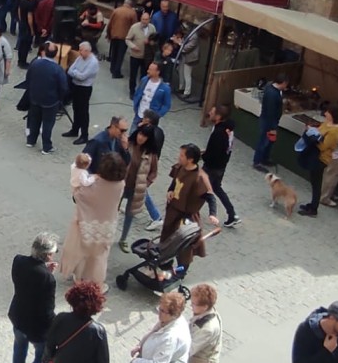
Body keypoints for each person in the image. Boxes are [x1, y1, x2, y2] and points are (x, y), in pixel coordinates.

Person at [8, 232, 59, 363]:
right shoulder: (48, 279)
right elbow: (47, 311)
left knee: (19, 352)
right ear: (48, 255)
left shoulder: (18, 261)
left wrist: (44, 269)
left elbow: (28, 278)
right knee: (42, 359)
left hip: (18, 317)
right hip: (37, 328)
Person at [60, 153, 127, 287]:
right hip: (107, 224)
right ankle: (96, 282)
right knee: (99, 256)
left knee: (82, 252)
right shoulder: (121, 184)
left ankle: (79, 278)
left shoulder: (95, 183)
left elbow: (78, 197)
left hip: (87, 223)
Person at [158, 144, 220, 271]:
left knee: (185, 246)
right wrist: (170, 190)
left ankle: (181, 271)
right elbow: (175, 182)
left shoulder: (200, 178)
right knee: (166, 239)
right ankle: (164, 264)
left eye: (182, 155)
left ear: (190, 159)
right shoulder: (181, 167)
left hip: (186, 217)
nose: (179, 157)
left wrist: (212, 214)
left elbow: (210, 197)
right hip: (173, 212)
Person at [119, 123, 162, 251]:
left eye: (144, 136)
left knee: (129, 215)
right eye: (140, 133)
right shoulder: (128, 145)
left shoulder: (151, 154)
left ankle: (123, 239)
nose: (141, 137)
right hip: (121, 185)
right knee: (111, 211)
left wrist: (146, 183)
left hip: (135, 189)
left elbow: (153, 172)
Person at [24, 41, 69, 154]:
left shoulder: (35, 63)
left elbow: (28, 79)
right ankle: (46, 146)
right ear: (55, 54)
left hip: (35, 98)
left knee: (34, 120)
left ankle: (31, 140)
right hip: (50, 101)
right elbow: (63, 87)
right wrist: (59, 98)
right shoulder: (57, 69)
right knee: (48, 124)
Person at [297, 105, 338, 217]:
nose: (326, 113)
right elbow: (318, 133)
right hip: (315, 156)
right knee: (314, 182)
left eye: (328, 112)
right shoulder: (326, 124)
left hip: (321, 158)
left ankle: (313, 208)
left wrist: (313, 137)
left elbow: (323, 146)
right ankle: (312, 205)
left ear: (332, 115)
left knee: (316, 184)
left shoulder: (335, 131)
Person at [202, 104, 240, 227]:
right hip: (221, 165)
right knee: (216, 188)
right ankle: (232, 214)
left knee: (200, 187)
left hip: (212, 166)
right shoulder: (228, 130)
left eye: (212, 112)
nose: (210, 113)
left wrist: (204, 156)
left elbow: (215, 152)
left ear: (218, 116)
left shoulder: (219, 132)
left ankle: (188, 213)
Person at [62, 41, 99, 143]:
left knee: (83, 112)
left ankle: (84, 135)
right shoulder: (80, 58)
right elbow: (70, 70)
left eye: (81, 50)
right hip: (76, 86)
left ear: (87, 51)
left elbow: (82, 76)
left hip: (84, 89)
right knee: (75, 108)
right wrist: (76, 73)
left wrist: (74, 73)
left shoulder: (93, 62)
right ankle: (74, 130)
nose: (79, 52)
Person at [252, 75, 287, 172]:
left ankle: (265, 158)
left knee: (271, 141)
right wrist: (272, 126)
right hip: (269, 123)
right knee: (263, 141)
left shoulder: (272, 89)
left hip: (272, 123)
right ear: (283, 83)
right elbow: (271, 111)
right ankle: (257, 161)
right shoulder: (272, 94)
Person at [132, 61, 172, 130]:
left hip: (151, 120)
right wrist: (136, 105)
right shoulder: (144, 80)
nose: (148, 71)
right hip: (139, 114)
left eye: (151, 70)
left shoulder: (165, 88)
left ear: (158, 72)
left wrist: (157, 116)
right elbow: (138, 93)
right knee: (132, 135)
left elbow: (167, 105)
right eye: (148, 69)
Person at [107, 0, 138, 79]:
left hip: (114, 35)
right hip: (124, 37)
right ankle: (116, 72)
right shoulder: (132, 13)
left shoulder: (116, 10)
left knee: (114, 52)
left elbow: (110, 23)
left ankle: (112, 68)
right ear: (131, 5)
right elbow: (135, 26)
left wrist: (108, 34)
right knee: (120, 55)